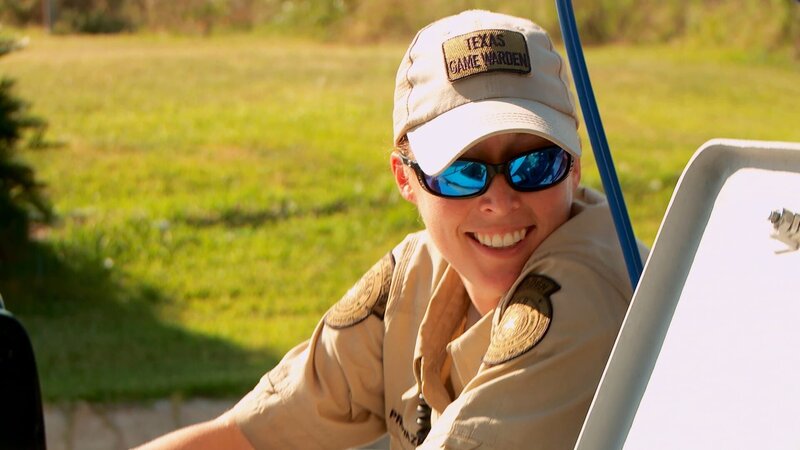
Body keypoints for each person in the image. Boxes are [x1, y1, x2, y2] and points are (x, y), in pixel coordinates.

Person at [138, 9, 646, 450]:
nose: (500, 200)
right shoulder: (415, 274)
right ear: (407, 178)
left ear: (574, 167)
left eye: (533, 165)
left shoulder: (585, 298)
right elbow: (246, 436)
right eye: (460, 171)